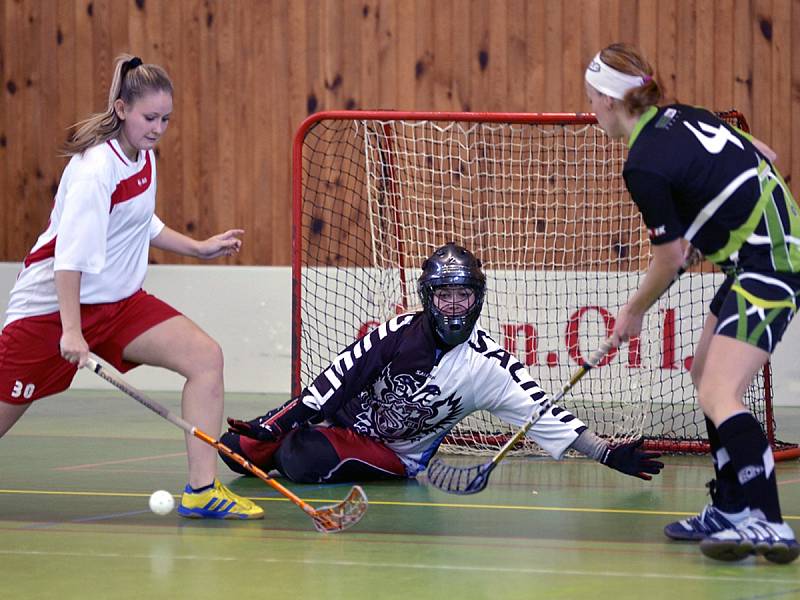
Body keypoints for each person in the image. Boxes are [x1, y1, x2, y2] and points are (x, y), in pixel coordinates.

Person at [0, 54, 262, 520]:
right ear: (121, 109)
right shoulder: (94, 169)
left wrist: (198, 248)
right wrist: (72, 331)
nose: (159, 127)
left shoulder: (142, 156)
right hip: (52, 310)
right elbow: (69, 260)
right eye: (150, 117)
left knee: (205, 357)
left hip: (120, 304)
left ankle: (202, 490)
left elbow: (143, 223)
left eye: (166, 118)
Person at [584, 43, 799, 564]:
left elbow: (671, 258)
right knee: (703, 372)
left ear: (611, 102)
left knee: (720, 392)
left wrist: (632, 313)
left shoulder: (642, 165)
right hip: (757, 252)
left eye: (591, 99)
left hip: (769, 264)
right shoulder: (682, 117)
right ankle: (729, 507)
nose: (590, 110)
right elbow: (763, 154)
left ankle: (768, 523)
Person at [220, 242, 663, 491]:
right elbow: (337, 379)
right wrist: (276, 422)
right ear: (428, 299)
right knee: (233, 447)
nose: (453, 306)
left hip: (395, 454)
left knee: (301, 456)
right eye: (443, 296)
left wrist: (606, 453)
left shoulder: (490, 368)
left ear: (477, 299)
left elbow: (544, 415)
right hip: (344, 421)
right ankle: (288, 441)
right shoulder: (397, 332)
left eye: (463, 295)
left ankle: (296, 445)